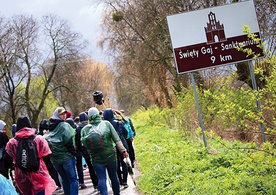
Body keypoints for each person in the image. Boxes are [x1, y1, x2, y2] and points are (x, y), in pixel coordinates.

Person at [81, 107, 128, 195]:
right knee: (114, 177)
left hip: (96, 158)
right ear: (98, 114)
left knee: (101, 178)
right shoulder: (107, 124)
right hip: (110, 156)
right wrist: (123, 151)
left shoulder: (85, 129)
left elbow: (84, 144)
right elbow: (117, 140)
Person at [4, 116, 57, 195]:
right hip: (39, 175)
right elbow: (47, 157)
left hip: (22, 177)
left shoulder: (12, 143)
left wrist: (14, 166)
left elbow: (6, 162)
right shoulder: (39, 139)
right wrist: (49, 170)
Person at [44, 107, 78, 195]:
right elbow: (69, 141)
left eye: (65, 113)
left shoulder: (50, 127)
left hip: (55, 159)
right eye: (61, 114)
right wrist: (74, 153)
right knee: (73, 180)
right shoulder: (64, 126)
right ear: (57, 115)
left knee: (64, 180)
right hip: (67, 157)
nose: (64, 116)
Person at [103, 108, 129, 188]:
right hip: (122, 145)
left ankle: (120, 180)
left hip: (112, 147)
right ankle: (125, 181)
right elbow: (126, 132)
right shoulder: (118, 123)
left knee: (116, 164)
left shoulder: (104, 125)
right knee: (125, 163)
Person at [76, 112, 98, 190]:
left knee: (90, 168)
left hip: (85, 151)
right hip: (93, 149)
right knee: (96, 166)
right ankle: (99, 182)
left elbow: (78, 142)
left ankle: (95, 184)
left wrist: (80, 150)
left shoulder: (78, 129)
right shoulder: (90, 126)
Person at [38, 119, 62, 190]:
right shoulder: (50, 133)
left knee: (48, 171)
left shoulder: (38, 136)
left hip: (42, 156)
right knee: (54, 170)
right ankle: (57, 184)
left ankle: (51, 185)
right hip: (50, 154)